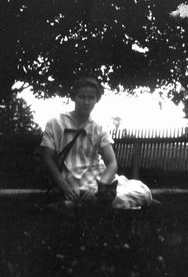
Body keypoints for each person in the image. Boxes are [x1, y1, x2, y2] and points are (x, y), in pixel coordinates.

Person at [40, 77, 152, 209]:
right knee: (109, 201)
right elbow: (48, 159)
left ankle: (72, 206)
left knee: (143, 191)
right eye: (81, 97)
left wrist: (101, 186)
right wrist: (65, 187)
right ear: (73, 97)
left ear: (96, 100)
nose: (86, 102)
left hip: (100, 179)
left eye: (91, 98)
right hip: (74, 180)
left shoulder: (98, 127)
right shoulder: (55, 122)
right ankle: (84, 204)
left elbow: (112, 163)